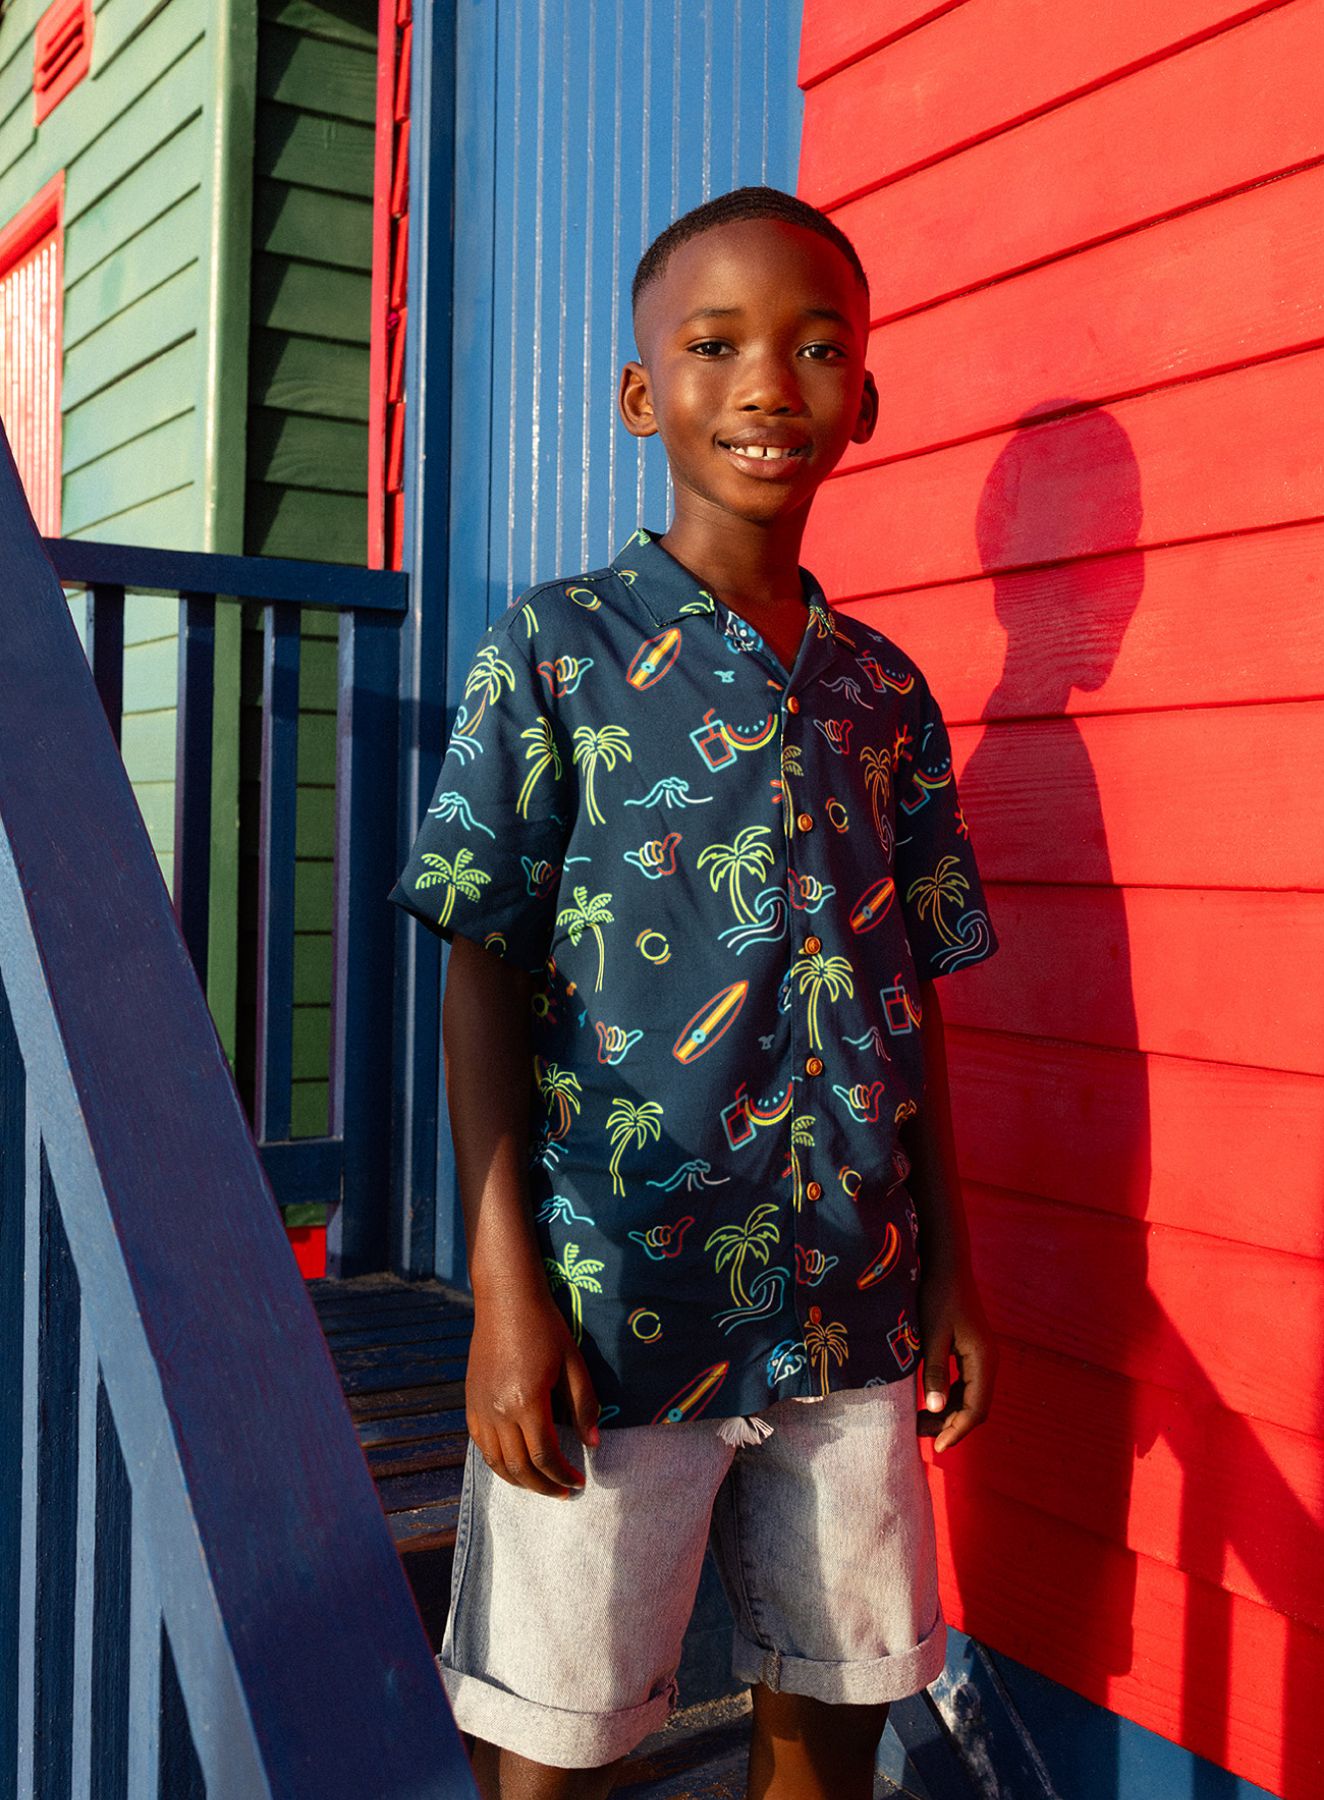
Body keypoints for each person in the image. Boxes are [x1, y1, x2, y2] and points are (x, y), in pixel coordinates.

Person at [389, 185, 1001, 1800]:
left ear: (866, 398)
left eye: (817, 348)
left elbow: (916, 993)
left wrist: (952, 1265)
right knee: (561, 1742)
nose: (768, 385)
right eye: (715, 346)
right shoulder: (555, 653)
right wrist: (505, 1296)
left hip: (855, 1306)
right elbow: (480, 967)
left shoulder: (885, 697)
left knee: (837, 1721)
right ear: (640, 394)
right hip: (612, 1309)